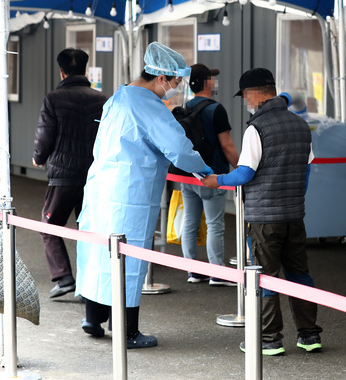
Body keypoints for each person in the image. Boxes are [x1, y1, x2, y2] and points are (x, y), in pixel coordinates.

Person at [75, 42, 211, 348]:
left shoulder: (118, 97)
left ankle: (93, 317)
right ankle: (128, 332)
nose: (175, 88)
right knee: (130, 259)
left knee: (100, 251)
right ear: (161, 78)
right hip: (130, 191)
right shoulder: (149, 105)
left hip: (102, 187)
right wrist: (205, 171)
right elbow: (177, 148)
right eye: (176, 82)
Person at [201, 68, 322, 356]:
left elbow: (244, 173)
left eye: (245, 96)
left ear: (255, 93)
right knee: (300, 274)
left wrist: (216, 179)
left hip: (264, 218)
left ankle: (269, 339)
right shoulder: (300, 124)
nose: (246, 101)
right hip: (295, 214)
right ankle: (309, 335)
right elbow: (306, 171)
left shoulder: (257, 128)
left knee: (265, 277)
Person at [32, 48, 108, 299]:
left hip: (63, 176)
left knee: (50, 226)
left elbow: (45, 134)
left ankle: (64, 277)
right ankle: (90, 283)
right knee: (88, 229)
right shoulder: (102, 99)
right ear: (85, 70)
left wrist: (38, 157)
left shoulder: (53, 98)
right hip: (93, 175)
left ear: (61, 71)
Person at [179, 63, 239, 286]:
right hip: (214, 176)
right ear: (206, 83)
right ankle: (217, 272)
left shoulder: (187, 106)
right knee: (215, 224)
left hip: (190, 174)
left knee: (191, 221)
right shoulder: (216, 109)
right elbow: (227, 146)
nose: (214, 82)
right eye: (212, 78)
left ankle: (192, 270)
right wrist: (243, 169)